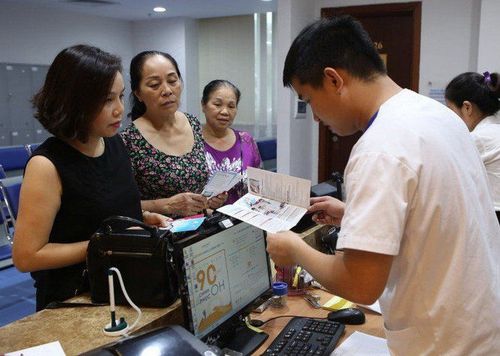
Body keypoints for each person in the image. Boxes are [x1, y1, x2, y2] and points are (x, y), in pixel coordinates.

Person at [266, 16, 500, 355]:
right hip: (480, 321)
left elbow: (360, 284)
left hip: (444, 340)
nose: (314, 117)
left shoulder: (379, 148)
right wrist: (355, 216)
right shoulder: (435, 115)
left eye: (308, 99)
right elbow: (439, 210)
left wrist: (295, 250)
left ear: (333, 79)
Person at [12, 45, 170, 311]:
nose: (119, 109)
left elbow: (94, 211)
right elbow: (27, 256)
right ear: (74, 101)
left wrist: (139, 220)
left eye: (120, 97)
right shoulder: (47, 165)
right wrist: (110, 245)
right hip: (74, 298)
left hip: (124, 286)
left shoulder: (115, 144)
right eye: (107, 100)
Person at [121, 51, 226, 217]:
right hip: (161, 235)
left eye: (172, 81)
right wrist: (167, 205)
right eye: (155, 85)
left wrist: (209, 199)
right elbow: (121, 204)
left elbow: (197, 184)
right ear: (138, 93)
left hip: (201, 229)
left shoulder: (192, 123)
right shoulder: (127, 140)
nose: (167, 90)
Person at [445, 71, 500, 223]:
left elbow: (450, 176)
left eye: (450, 111)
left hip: (495, 216)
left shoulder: (479, 138)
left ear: (467, 108)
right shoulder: (494, 129)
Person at [201, 80, 262, 204]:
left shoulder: (246, 140)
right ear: (203, 105)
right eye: (217, 104)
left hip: (244, 219)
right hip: (206, 220)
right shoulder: (191, 142)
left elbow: (259, 184)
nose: (225, 112)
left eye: (231, 106)